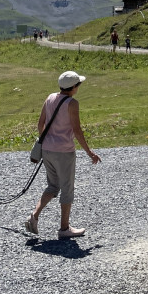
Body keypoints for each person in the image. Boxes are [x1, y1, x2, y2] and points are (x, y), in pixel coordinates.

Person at [25, 71, 101, 239]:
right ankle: (64, 228)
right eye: (78, 85)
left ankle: (34, 215)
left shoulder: (50, 97)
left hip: (47, 149)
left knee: (53, 186)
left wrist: (46, 142)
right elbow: (77, 130)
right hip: (64, 151)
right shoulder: (72, 103)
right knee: (67, 188)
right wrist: (89, 152)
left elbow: (40, 124)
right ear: (73, 87)